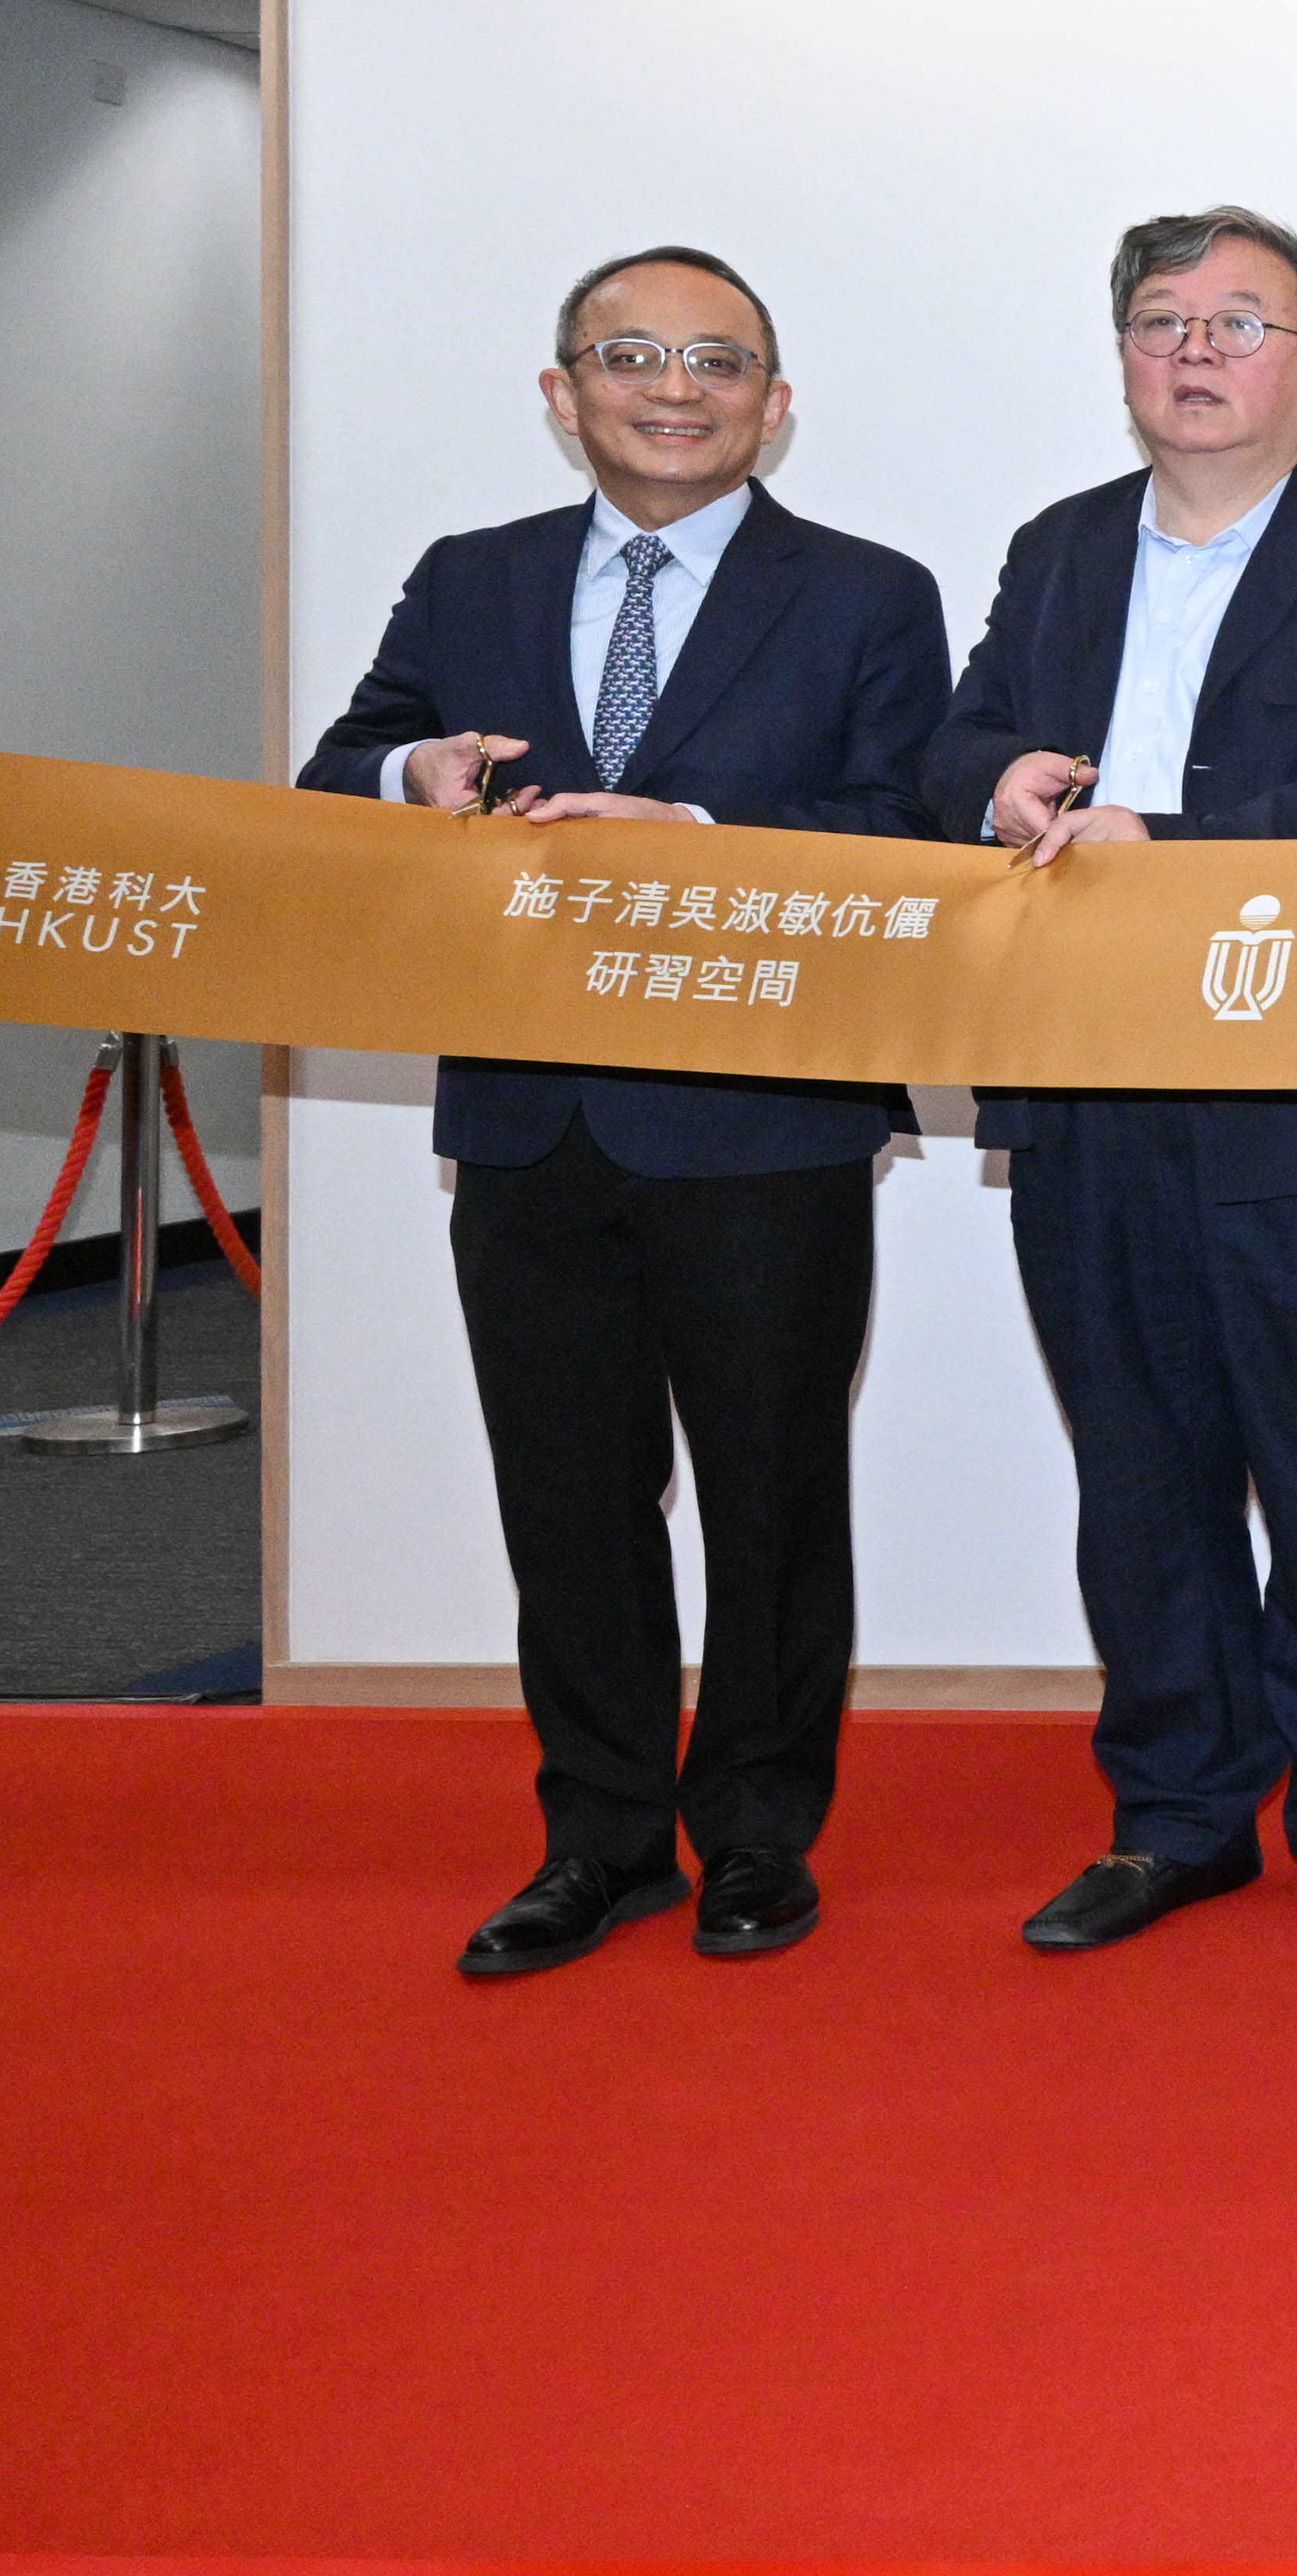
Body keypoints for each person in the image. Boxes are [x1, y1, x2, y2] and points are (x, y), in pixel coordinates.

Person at [296, 247, 949, 1979]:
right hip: (530, 1124)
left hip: (766, 1125)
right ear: (562, 391)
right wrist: (408, 777)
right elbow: (338, 772)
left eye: (718, 361)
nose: (677, 388)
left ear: (775, 403)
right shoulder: (470, 578)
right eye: (633, 356)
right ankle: (595, 1836)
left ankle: (752, 1834)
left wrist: (713, 842)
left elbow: (911, 830)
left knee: (770, 1496)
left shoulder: (870, 593)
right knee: (567, 1500)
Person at [928, 207, 1297, 1956]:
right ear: (1123, 362)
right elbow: (956, 732)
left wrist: (1170, 844)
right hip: (1089, 1077)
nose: (1196, 351)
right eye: (1162, 321)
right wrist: (1002, 780)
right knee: (1141, 1468)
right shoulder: (1060, 546)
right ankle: (1178, 1811)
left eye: (1240, 324)